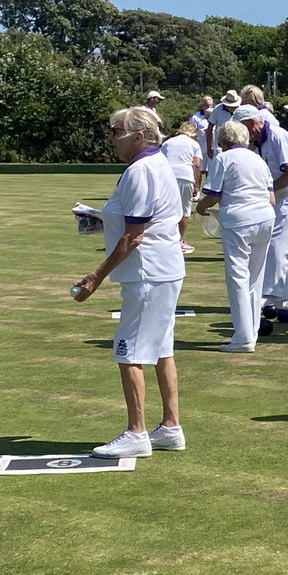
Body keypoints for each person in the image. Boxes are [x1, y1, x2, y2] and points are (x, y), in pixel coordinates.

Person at [71, 106, 185, 457]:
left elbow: (134, 236)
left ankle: (136, 433)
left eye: (115, 131)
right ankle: (170, 427)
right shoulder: (155, 165)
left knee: (128, 350)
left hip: (147, 271)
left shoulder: (140, 170)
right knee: (162, 348)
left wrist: (96, 277)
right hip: (162, 267)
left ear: (139, 136)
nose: (111, 137)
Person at [196, 121, 275, 352]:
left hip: (239, 220)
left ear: (223, 142)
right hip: (265, 218)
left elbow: (213, 194)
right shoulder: (258, 159)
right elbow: (271, 199)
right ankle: (251, 332)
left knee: (238, 278)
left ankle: (243, 338)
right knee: (255, 278)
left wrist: (200, 209)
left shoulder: (223, 158)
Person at [232, 104, 288, 306]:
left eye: (242, 128)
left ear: (251, 123)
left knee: (277, 241)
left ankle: (270, 293)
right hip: (281, 192)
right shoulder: (257, 141)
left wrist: (267, 191)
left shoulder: (277, 136)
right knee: (285, 244)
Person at [161, 121, 201, 252]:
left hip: (167, 176)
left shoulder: (168, 142)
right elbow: (196, 165)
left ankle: (164, 239)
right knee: (184, 210)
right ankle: (179, 241)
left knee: (165, 209)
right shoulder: (194, 144)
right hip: (185, 176)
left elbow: (159, 161)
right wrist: (197, 185)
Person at [205, 89, 241, 159]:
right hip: (220, 148)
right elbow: (209, 129)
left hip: (237, 146)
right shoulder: (218, 109)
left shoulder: (240, 109)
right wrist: (209, 148)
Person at [189, 96, 214, 183]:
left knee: (211, 170)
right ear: (202, 105)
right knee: (199, 170)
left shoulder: (215, 115)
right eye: (207, 105)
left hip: (213, 147)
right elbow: (191, 133)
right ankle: (197, 190)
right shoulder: (196, 118)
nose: (209, 107)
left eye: (210, 105)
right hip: (201, 147)